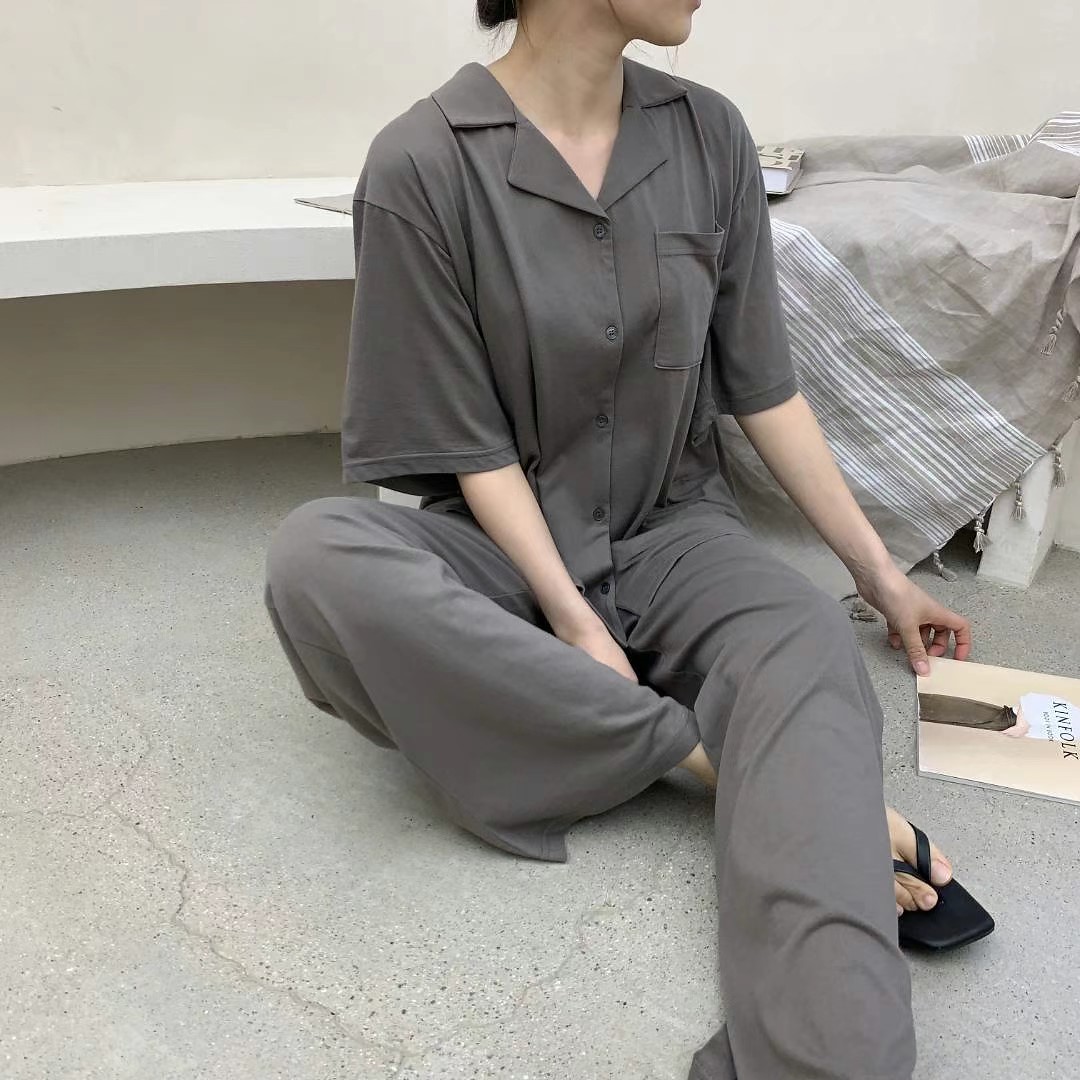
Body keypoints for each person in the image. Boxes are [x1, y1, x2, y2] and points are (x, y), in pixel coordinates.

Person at [265, 1, 974, 1076]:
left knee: (805, 640)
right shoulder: (422, 164)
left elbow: (764, 386)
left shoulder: (710, 135)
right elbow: (469, 445)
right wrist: (573, 621)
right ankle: (710, 763)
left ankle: (823, 1056)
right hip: (504, 546)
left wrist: (881, 575)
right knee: (317, 560)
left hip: (673, 530)